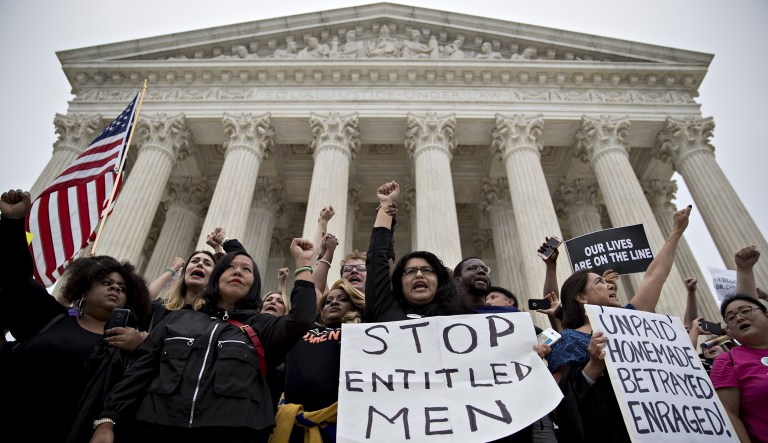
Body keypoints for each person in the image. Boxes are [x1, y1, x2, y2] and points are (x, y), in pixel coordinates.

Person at [90, 239, 318, 443]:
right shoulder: (178, 319)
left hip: (233, 433)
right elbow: (140, 372)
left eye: (246, 269)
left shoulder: (263, 326)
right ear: (217, 278)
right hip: (157, 428)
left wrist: (303, 265)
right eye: (229, 267)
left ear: (254, 284)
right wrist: (108, 419)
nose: (237, 271)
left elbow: (301, 320)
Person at [0, 188, 151, 443]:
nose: (115, 287)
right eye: (105, 282)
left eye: (122, 288)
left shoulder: (124, 345)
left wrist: (144, 347)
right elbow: (16, 278)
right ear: (84, 287)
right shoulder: (50, 318)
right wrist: (13, 224)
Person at [546, 205, 691, 443]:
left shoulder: (628, 322)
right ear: (581, 297)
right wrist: (593, 365)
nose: (610, 285)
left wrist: (676, 232)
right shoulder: (570, 339)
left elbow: (655, 277)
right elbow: (558, 403)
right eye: (600, 282)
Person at [272, 278, 366, 443]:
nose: (334, 303)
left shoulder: (358, 333)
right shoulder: (302, 330)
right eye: (328, 301)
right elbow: (302, 303)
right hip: (292, 423)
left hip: (334, 426)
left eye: (343, 299)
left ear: (355, 305)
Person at [364, 180, 472, 322]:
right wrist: (385, 207)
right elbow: (376, 259)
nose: (419, 275)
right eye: (410, 271)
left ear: (440, 281)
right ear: (400, 283)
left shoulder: (460, 316)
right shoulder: (384, 309)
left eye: (427, 270)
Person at [710, 245, 768, 443]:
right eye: (731, 317)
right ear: (730, 332)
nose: (739, 317)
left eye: (745, 311)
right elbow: (729, 415)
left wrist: (745, 270)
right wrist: (743, 271)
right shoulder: (728, 362)